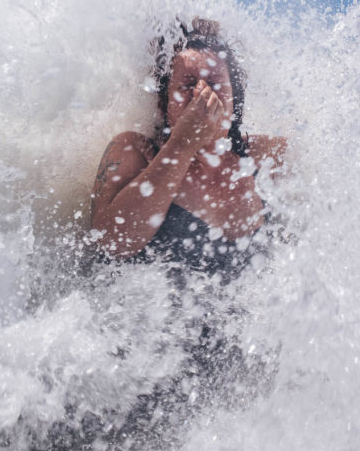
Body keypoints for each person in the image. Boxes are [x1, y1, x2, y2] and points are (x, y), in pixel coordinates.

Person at [89, 17, 286, 284]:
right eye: (188, 84)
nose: (202, 94)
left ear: (234, 100)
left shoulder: (264, 156)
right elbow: (110, 245)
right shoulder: (133, 152)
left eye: (215, 84)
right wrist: (182, 145)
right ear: (163, 102)